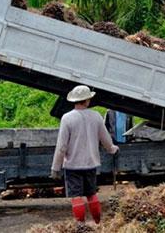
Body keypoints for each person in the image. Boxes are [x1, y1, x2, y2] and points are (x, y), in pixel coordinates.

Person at [51, 85, 119, 224]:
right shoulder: (96, 116)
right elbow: (105, 138)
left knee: (76, 197)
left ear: (74, 100)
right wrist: (112, 149)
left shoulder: (67, 118)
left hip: (73, 165)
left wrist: (55, 168)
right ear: (87, 100)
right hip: (91, 164)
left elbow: (62, 146)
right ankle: (98, 223)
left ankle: (80, 226)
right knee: (91, 194)